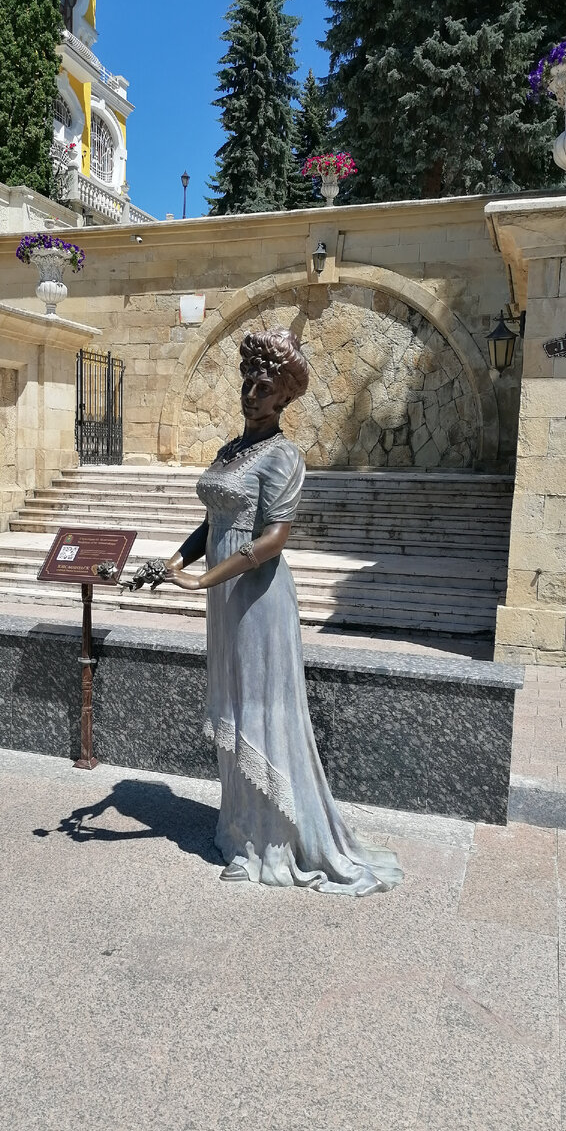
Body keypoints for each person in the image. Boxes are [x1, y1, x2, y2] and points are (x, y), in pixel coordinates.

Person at [163, 327, 403, 897]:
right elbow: (213, 522)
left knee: (262, 707)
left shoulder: (284, 456)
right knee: (235, 701)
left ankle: (268, 845)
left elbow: (273, 539)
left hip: (258, 596)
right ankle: (240, 829)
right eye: (247, 382)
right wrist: (174, 559)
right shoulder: (230, 452)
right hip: (224, 596)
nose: (251, 393)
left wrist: (204, 578)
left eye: (264, 387)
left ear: (284, 397)